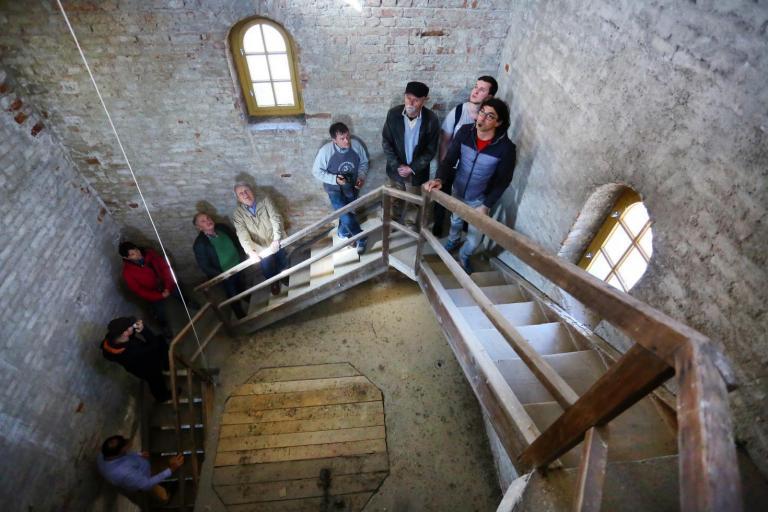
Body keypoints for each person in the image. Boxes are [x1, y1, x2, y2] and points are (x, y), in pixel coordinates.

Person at [424, 98, 516, 274]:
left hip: (480, 199)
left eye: (490, 116)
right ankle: (453, 241)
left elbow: (503, 180)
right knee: (455, 221)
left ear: (499, 122)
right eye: (482, 112)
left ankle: (464, 256)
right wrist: (439, 179)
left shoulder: (506, 148)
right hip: (458, 190)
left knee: (474, 238)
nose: (482, 118)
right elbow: (449, 159)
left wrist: (486, 205)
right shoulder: (465, 132)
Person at [434, 76, 498, 236]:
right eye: (475, 87)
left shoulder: (491, 120)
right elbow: (445, 141)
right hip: (451, 166)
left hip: (471, 171)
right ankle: (438, 225)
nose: (475, 91)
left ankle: (462, 228)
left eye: (481, 90)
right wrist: (443, 166)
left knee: (466, 201)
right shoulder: (458, 112)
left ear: (489, 96)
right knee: (441, 197)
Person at [381, 81, 440, 228]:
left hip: (417, 171)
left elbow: (431, 150)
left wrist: (412, 168)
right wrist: (397, 165)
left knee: (414, 201)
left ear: (425, 100)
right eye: (408, 97)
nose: (410, 103)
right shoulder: (393, 114)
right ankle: (391, 223)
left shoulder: (431, 119)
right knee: (393, 198)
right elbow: (386, 142)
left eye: (416, 100)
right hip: (396, 169)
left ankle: (409, 225)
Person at [312, 122, 370, 254]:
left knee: (350, 213)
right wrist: (335, 179)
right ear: (334, 140)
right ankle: (361, 238)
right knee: (347, 216)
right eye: (342, 138)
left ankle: (342, 233)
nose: (347, 141)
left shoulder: (356, 145)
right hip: (334, 190)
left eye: (348, 136)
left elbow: (364, 163)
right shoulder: (326, 151)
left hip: (352, 186)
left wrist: (361, 177)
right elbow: (316, 171)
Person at [119, 241, 193, 337]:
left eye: (136, 250)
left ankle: (187, 302)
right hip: (153, 293)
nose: (138, 254)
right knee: (159, 311)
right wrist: (159, 296)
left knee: (178, 293)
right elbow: (139, 290)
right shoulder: (128, 273)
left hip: (165, 283)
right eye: (133, 254)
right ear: (126, 258)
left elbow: (165, 268)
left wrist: (168, 286)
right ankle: (164, 325)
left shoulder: (150, 254)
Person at [232, 183, 289, 296]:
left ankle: (284, 276)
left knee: (281, 259)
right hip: (259, 246)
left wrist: (277, 238)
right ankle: (273, 282)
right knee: (266, 266)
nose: (245, 194)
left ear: (252, 190)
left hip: (275, 239)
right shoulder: (238, 214)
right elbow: (242, 234)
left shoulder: (265, 200)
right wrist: (250, 251)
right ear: (238, 198)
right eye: (241, 193)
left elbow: (275, 218)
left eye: (246, 190)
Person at [101, 317, 172, 402]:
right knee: (155, 378)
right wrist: (144, 330)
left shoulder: (112, 339)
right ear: (125, 333)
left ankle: (166, 366)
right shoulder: (132, 351)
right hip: (145, 366)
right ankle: (162, 397)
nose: (132, 326)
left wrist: (134, 328)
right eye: (130, 326)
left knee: (160, 341)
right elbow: (154, 345)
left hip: (135, 365)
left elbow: (130, 333)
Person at [97, 434, 184, 503]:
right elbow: (146, 484)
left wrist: (138, 454)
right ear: (119, 452)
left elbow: (125, 455)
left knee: (159, 466)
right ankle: (166, 497)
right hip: (142, 481)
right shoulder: (125, 472)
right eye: (125, 446)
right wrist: (171, 470)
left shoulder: (104, 455)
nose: (128, 443)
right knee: (162, 496)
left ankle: (161, 481)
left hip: (143, 470)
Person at [192, 212, 248, 318]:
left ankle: (245, 297)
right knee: (232, 293)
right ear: (199, 228)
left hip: (238, 265)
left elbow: (236, 240)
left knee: (241, 283)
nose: (208, 221)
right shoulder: (200, 245)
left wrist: (242, 256)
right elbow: (205, 266)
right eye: (203, 221)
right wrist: (223, 275)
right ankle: (240, 314)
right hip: (225, 274)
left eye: (208, 218)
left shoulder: (222, 228)